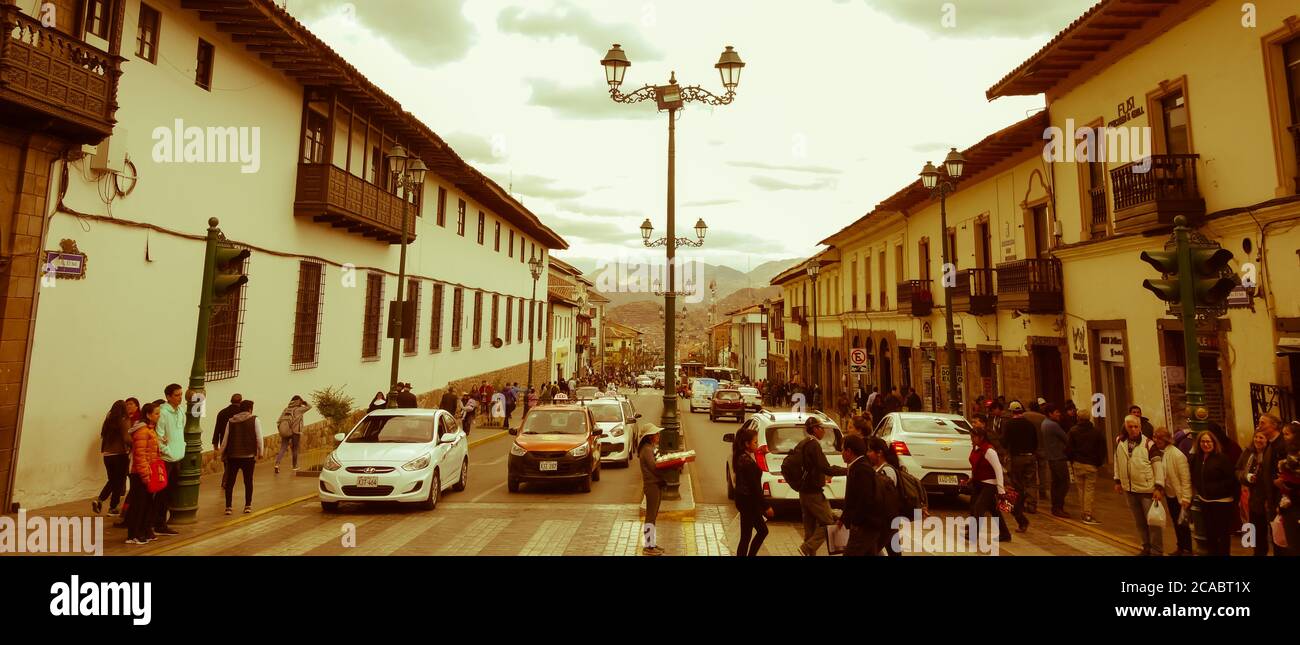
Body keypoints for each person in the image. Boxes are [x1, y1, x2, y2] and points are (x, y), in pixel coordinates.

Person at [1114, 415, 1165, 556]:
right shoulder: (1120, 442)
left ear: (1140, 427)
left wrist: (1159, 487)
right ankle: (1146, 546)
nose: (1133, 429)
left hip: (1147, 489)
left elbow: (1158, 466)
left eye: (1136, 426)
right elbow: (1118, 461)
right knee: (1139, 522)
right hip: (1129, 489)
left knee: (1153, 522)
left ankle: (1157, 550)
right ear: (1126, 427)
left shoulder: (1149, 444)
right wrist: (1117, 480)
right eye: (1130, 427)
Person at [796, 417, 848, 556]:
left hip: (804, 493)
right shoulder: (814, 445)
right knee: (828, 522)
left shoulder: (804, 443)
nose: (824, 430)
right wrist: (847, 470)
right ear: (815, 429)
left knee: (810, 531)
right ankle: (807, 548)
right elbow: (826, 468)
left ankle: (808, 550)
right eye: (821, 427)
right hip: (813, 494)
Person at [1190, 430, 1239, 556]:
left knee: (1222, 534)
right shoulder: (1198, 458)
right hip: (1205, 501)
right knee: (1210, 533)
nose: (1205, 444)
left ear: (1214, 442)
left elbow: (1231, 480)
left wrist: (1216, 489)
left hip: (1221, 502)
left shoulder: (1222, 458)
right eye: (1203, 441)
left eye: (1208, 441)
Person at [968, 424, 1013, 544]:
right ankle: (1005, 534)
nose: (972, 439)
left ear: (981, 437)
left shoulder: (989, 450)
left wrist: (1000, 489)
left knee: (979, 508)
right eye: (971, 437)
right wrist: (972, 478)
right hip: (978, 483)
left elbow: (998, 469)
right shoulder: (976, 448)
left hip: (989, 485)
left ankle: (973, 533)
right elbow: (976, 465)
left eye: (974, 437)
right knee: (993, 510)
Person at [732, 425, 772, 556]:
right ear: (747, 444)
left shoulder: (743, 456)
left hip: (745, 501)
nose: (757, 444)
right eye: (755, 442)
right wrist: (766, 506)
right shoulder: (746, 461)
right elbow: (755, 487)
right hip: (748, 502)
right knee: (755, 533)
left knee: (749, 534)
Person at [125, 402, 162, 545]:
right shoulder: (142, 431)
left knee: (147, 504)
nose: (159, 416)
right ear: (148, 415)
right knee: (138, 505)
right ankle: (134, 534)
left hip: (148, 471)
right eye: (156, 413)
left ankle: (144, 530)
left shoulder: (150, 429)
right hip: (140, 473)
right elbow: (140, 456)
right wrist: (146, 476)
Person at [219, 399, 264, 515]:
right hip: (248, 456)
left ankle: (228, 507)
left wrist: (221, 452)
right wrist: (261, 452)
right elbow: (259, 437)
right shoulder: (254, 419)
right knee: (248, 481)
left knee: (230, 482)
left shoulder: (231, 421)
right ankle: (247, 506)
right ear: (250, 409)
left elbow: (225, 439)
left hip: (233, 456)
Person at [1153, 427, 1193, 556]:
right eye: (1155, 437)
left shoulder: (1177, 454)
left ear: (1165, 439)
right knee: (1177, 522)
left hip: (1179, 496)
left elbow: (1185, 477)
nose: (1156, 440)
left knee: (1183, 524)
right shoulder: (1163, 453)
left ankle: (1187, 549)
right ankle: (1180, 547)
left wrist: (1186, 497)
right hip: (1170, 495)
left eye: (1159, 438)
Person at [839, 434, 881, 555]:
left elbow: (864, 499)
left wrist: (856, 522)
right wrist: (843, 518)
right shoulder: (857, 467)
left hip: (865, 526)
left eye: (842, 449)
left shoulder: (862, 470)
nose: (841, 452)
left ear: (849, 451)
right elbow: (852, 498)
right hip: (867, 525)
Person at [153, 384, 186, 537]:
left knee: (170, 493)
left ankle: (160, 522)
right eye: (177, 395)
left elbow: (180, 431)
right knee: (162, 494)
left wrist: (181, 448)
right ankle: (159, 523)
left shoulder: (180, 411)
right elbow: (158, 437)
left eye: (181, 394)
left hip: (177, 458)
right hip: (167, 459)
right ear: (168, 397)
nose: (180, 397)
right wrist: (169, 452)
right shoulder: (163, 413)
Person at [1066, 408, 1106, 525]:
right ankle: (1087, 514)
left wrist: (1072, 459)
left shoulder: (1073, 431)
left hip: (1078, 463)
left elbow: (1068, 448)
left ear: (1078, 418)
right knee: (1089, 490)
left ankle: (1083, 512)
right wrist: (1099, 462)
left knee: (1081, 489)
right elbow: (1102, 448)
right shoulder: (1096, 431)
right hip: (1091, 464)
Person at [866, 436, 904, 556]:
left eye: (870, 451)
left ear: (879, 453)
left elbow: (887, 498)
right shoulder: (878, 469)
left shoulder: (887, 471)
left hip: (887, 520)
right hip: (887, 520)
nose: (868, 454)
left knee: (873, 550)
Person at [1002, 401, 1037, 532]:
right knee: (1031, 482)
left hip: (1017, 458)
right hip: (1030, 456)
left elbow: (1004, 442)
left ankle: (1019, 505)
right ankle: (1032, 504)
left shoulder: (1009, 425)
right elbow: (1035, 441)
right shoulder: (1029, 424)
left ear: (1011, 412)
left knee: (1018, 484)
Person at [1256, 414, 1288, 555]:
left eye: (1263, 423)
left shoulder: (1282, 445)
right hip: (1270, 499)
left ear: (1274, 425)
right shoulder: (1270, 445)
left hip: (1281, 500)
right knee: (1274, 537)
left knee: (1283, 541)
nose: (1259, 425)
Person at [93, 400, 132, 516]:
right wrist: (135, 445)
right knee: (118, 482)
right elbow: (126, 438)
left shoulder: (108, 421)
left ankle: (100, 500)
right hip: (120, 454)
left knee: (113, 480)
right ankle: (113, 507)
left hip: (107, 455)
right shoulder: (124, 420)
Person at [1238, 431, 1271, 556]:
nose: (1258, 440)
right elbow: (1238, 470)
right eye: (1256, 437)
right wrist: (1246, 476)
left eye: (1261, 437)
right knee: (1255, 530)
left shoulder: (1270, 454)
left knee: (1272, 531)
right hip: (1251, 498)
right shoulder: (1248, 453)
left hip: (1267, 498)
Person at [639, 426, 667, 556]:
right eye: (656, 434)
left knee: (653, 515)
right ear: (650, 436)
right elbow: (654, 467)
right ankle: (648, 547)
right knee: (650, 516)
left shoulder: (650, 449)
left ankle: (652, 543)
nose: (658, 436)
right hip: (651, 486)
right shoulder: (646, 450)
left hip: (656, 485)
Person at [1041, 403, 1071, 518]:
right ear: (1050, 413)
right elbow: (1066, 438)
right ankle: (1058, 507)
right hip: (1058, 457)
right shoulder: (1053, 425)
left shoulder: (1045, 423)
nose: (1059, 414)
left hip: (1052, 457)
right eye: (1056, 412)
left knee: (1056, 483)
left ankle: (1055, 507)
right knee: (1063, 483)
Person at [274, 395, 312, 474]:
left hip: (285, 431)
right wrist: (304, 402)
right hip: (295, 431)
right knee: (295, 449)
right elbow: (309, 406)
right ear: (299, 401)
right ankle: (294, 466)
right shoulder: (299, 409)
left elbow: (279, 421)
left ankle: (277, 464)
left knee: (283, 448)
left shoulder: (286, 409)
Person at [1024, 401, 1048, 513]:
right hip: (1042, 446)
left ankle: (1031, 495)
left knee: (1031, 475)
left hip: (1030, 448)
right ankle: (1043, 491)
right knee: (1043, 470)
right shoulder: (1043, 418)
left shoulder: (1025, 416)